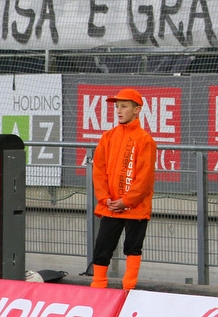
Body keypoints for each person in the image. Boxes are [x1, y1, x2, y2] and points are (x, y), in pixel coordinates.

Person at [90, 88, 157, 290]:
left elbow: (145, 177)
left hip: (135, 207)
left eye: (124, 106)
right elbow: (99, 170)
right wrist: (105, 198)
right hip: (110, 205)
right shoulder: (108, 137)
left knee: (133, 247)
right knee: (103, 245)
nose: (119, 111)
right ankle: (98, 284)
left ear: (137, 110)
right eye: (117, 107)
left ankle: (129, 288)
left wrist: (127, 201)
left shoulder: (145, 140)